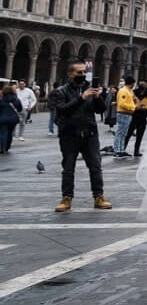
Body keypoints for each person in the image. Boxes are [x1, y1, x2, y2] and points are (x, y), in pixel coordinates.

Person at [50, 63, 111, 212]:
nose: (82, 74)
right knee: (68, 168)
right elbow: (63, 110)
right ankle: (66, 198)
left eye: (84, 71)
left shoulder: (89, 88)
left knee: (95, 167)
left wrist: (97, 97)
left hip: (90, 133)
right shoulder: (61, 91)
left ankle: (99, 197)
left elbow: (101, 110)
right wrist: (81, 98)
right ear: (70, 74)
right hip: (70, 134)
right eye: (79, 72)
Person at [125, 81, 147, 157]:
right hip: (134, 114)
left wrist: (145, 107)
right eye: (141, 84)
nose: (142, 85)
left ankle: (136, 151)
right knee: (128, 133)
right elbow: (129, 101)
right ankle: (123, 148)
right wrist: (135, 105)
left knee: (140, 135)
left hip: (143, 115)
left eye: (144, 84)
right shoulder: (133, 92)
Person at [113, 76, 136, 158]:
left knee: (123, 133)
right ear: (132, 83)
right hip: (123, 113)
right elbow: (122, 104)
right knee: (120, 132)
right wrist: (133, 107)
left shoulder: (128, 91)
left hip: (127, 114)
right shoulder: (124, 91)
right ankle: (117, 150)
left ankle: (121, 150)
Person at [0, 85, 20, 154]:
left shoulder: (1, 100)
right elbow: (20, 109)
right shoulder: (16, 99)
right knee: (10, 133)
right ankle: (7, 147)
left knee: (3, 133)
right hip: (13, 120)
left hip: (2, 119)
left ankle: (2, 148)